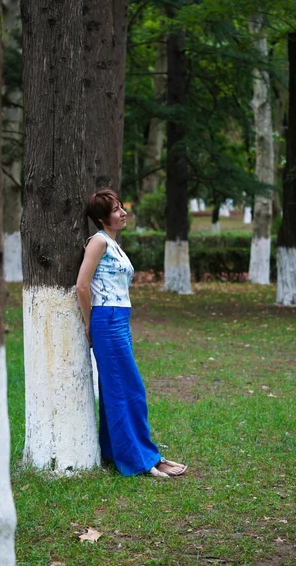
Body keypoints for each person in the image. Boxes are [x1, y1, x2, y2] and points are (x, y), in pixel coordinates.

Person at [76, 189, 187, 478]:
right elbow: (81, 286)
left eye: (121, 207)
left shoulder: (113, 244)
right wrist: (89, 324)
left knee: (123, 389)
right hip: (106, 319)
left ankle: (127, 452)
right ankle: (141, 459)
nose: (123, 212)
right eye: (115, 210)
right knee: (127, 391)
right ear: (102, 218)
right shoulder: (98, 242)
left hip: (119, 319)